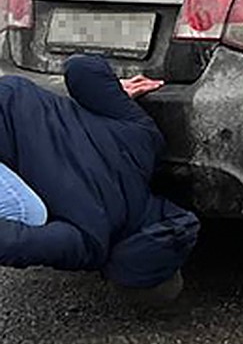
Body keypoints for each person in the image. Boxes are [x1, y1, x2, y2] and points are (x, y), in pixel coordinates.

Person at [0, 54, 199, 300]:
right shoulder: (89, 243)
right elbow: (12, 243)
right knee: (29, 215)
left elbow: (80, 67)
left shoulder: (144, 140)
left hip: (9, 92)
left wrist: (112, 92)